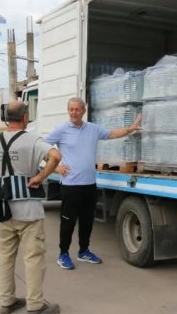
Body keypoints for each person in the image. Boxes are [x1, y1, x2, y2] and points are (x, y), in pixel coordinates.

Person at [0, 101, 62, 314]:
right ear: (25, 117)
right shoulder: (32, 140)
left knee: (6, 258)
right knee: (33, 258)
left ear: (5, 118)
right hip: (29, 210)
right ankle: (35, 306)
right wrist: (40, 177)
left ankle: (7, 301)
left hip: (3, 208)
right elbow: (55, 157)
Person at [44, 97, 141, 270]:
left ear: (83, 111)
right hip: (70, 186)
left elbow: (111, 134)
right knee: (68, 221)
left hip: (89, 184)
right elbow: (42, 147)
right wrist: (56, 167)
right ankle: (63, 254)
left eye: (77, 109)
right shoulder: (61, 130)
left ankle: (83, 251)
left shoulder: (92, 129)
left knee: (87, 220)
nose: (74, 112)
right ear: (68, 111)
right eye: (71, 109)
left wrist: (130, 129)